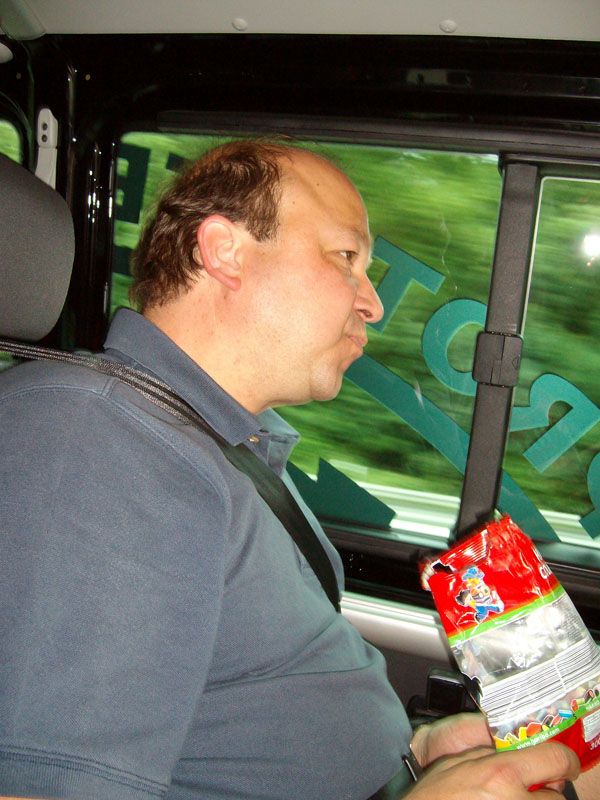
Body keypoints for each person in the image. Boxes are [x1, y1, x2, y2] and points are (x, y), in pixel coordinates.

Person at [0, 140, 586, 800]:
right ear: (225, 252)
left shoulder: (216, 439)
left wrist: (415, 757)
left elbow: (245, 701)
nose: (374, 304)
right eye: (346, 257)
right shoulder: (94, 448)